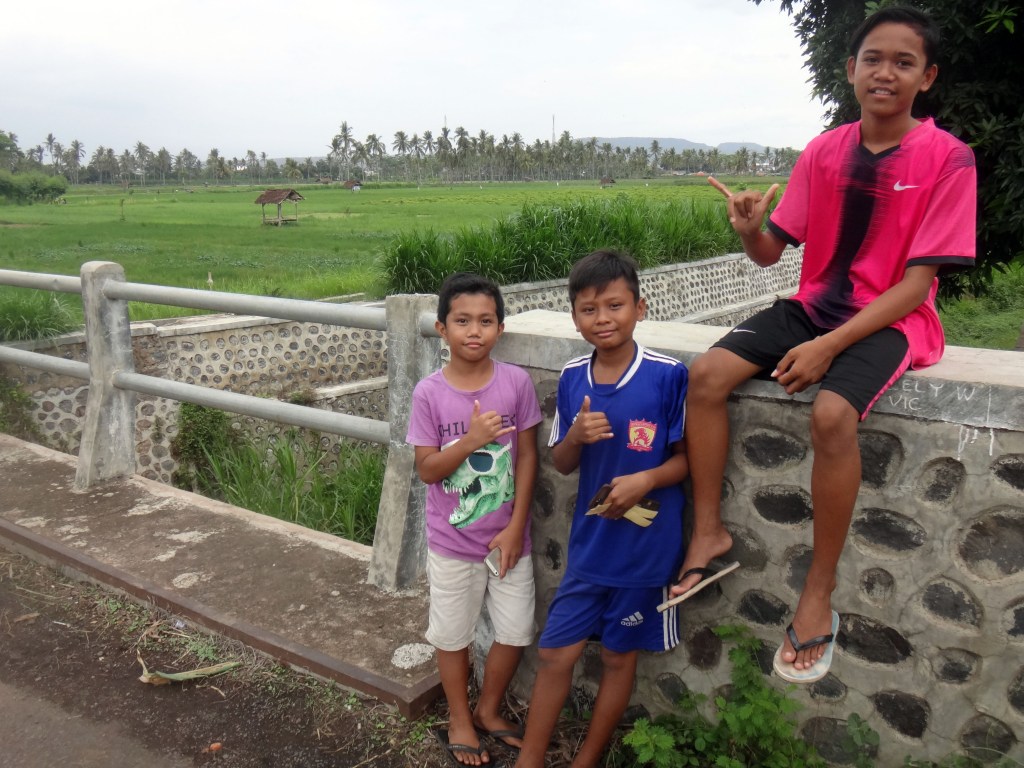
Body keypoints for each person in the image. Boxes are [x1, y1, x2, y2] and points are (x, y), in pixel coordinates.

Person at [675, 6, 976, 684]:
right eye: (873, 59)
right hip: (815, 305)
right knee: (705, 378)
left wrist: (828, 348)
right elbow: (769, 255)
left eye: (904, 62)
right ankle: (709, 531)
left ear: (925, 78)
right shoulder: (824, 152)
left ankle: (818, 592)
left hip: (892, 320)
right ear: (851, 70)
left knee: (831, 415)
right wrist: (750, 228)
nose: (885, 72)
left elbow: (917, 284)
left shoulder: (948, 158)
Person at [514, 250, 689, 768]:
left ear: (641, 307)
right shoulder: (573, 378)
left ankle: (587, 758)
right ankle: (530, 758)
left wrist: (646, 479)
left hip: (645, 551)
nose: (603, 319)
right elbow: (562, 463)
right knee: (554, 653)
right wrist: (574, 436)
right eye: (588, 309)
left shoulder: (667, 376)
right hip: (590, 546)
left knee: (617, 656)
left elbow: (687, 463)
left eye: (615, 305)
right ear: (574, 316)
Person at [406, 272, 543, 766]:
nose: (474, 331)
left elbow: (528, 458)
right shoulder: (429, 394)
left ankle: (488, 708)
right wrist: (470, 440)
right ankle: (459, 716)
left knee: (515, 629)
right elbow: (426, 470)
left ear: (500, 329)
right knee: (452, 634)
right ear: (442, 329)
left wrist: (515, 527)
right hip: (451, 543)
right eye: (462, 321)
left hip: (508, 539)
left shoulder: (515, 384)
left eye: (486, 321)